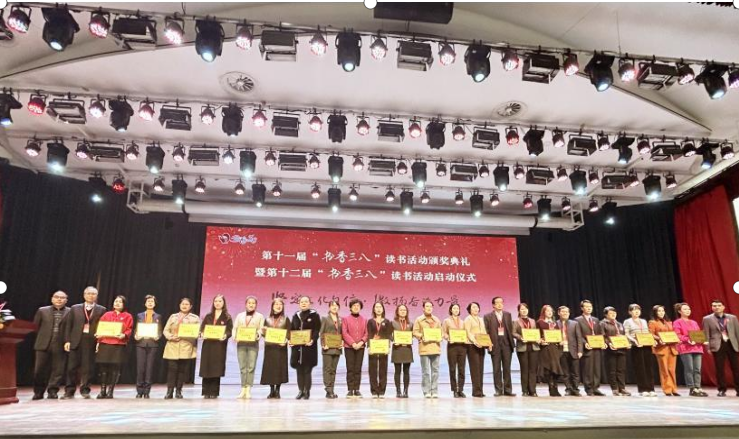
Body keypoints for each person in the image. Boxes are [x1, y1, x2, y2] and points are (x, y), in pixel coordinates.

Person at [62, 286, 106, 399]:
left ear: (96, 296)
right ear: (84, 295)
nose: (91, 296)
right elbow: (68, 325)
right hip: (75, 339)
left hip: (91, 340)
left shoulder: (102, 309)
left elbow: (103, 326)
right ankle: (69, 391)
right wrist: (67, 340)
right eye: (89, 293)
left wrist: (99, 341)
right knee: (71, 367)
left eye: (93, 294)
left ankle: (85, 390)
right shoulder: (74, 308)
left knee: (87, 367)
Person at [32, 290, 70, 400]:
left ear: (66, 300)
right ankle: (38, 392)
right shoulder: (42, 310)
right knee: (39, 370)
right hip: (43, 343)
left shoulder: (70, 311)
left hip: (61, 344)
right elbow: (35, 327)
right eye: (57, 297)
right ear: (52, 299)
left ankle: (53, 391)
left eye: (62, 298)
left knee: (58, 370)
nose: (59, 299)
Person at [95, 295, 134, 399]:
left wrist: (124, 335)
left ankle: (110, 391)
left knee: (114, 368)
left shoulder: (128, 316)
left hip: (118, 344)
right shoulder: (107, 314)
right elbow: (100, 327)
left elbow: (129, 329)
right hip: (105, 343)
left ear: (124, 304)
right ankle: (102, 390)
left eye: (120, 302)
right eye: (116, 301)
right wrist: (98, 340)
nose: (117, 303)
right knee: (103, 368)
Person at [162, 297, 200, 399]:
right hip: (172, 345)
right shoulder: (173, 316)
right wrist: (170, 336)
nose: (184, 306)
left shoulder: (195, 318)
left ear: (190, 306)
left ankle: (178, 391)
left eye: (187, 304)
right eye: (183, 304)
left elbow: (197, 332)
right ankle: (169, 391)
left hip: (186, 346)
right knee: (172, 369)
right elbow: (166, 330)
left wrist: (190, 334)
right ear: (179, 305)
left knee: (182, 370)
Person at [702, 299, 739, 397]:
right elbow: (706, 334)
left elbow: (737, 332)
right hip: (717, 344)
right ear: (712, 307)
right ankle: (722, 389)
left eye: (719, 305)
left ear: (723, 307)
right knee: (719, 368)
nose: (717, 307)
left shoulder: (732, 318)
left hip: (732, 344)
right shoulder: (707, 319)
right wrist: (708, 347)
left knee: (736, 368)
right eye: (714, 306)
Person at [199, 294, 232, 399]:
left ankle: (214, 392)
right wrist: (202, 334)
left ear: (224, 303)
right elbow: (202, 328)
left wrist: (225, 335)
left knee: (216, 368)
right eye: (216, 301)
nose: (217, 303)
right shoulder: (208, 316)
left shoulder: (227, 317)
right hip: (208, 345)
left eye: (220, 301)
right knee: (206, 367)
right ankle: (205, 391)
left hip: (219, 346)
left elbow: (230, 331)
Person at [672, 303, 707, 397]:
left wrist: (703, 340)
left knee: (697, 369)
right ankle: (692, 388)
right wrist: (688, 339)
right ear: (679, 311)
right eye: (685, 309)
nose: (687, 311)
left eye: (688, 309)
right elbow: (678, 335)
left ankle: (698, 387)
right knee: (689, 368)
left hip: (697, 348)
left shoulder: (694, 322)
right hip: (685, 348)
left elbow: (698, 334)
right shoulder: (677, 322)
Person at [233, 296, 264, 399]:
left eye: (253, 303)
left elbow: (261, 329)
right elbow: (235, 328)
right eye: (249, 303)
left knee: (251, 367)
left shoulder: (260, 316)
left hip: (253, 344)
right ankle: (243, 388)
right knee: (242, 367)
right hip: (241, 343)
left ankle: (248, 389)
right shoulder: (239, 315)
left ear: (256, 305)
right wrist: (235, 336)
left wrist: (257, 335)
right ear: (246, 304)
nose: (251, 305)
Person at [290, 295, 321, 400]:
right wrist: (291, 340)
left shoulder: (314, 315)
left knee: (307, 370)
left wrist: (313, 340)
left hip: (309, 347)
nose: (304, 303)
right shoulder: (296, 316)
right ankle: (300, 391)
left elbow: (317, 330)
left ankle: (306, 391)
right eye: (302, 302)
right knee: (299, 370)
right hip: (297, 348)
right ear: (299, 304)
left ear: (309, 303)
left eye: (306, 301)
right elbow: (292, 330)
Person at [483, 296, 515, 396]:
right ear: (493, 305)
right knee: (496, 369)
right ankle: (498, 390)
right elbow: (486, 331)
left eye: (501, 302)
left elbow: (510, 329)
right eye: (497, 303)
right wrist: (488, 344)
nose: (500, 304)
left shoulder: (508, 315)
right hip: (495, 345)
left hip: (506, 345)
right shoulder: (488, 316)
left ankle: (508, 390)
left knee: (507, 368)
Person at [623, 304, 657, 397]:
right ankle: (642, 389)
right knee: (640, 368)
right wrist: (634, 341)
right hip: (637, 347)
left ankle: (651, 388)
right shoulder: (627, 321)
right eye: (634, 310)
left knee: (649, 368)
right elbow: (626, 334)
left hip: (646, 345)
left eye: (638, 309)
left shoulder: (643, 321)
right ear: (630, 312)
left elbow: (647, 333)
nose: (636, 311)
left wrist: (652, 341)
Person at [261, 297, 291, 399]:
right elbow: (264, 334)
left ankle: (277, 390)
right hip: (270, 348)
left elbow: (289, 333)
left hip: (280, 348)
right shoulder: (267, 319)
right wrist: (263, 332)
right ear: (272, 306)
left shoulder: (286, 319)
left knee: (279, 369)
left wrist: (286, 340)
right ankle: (271, 390)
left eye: (280, 304)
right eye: (276, 304)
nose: (278, 306)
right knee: (270, 368)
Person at [575, 299, 606, 396]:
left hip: (597, 347)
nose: (589, 308)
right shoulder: (577, 320)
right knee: (588, 369)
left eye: (590, 307)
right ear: (582, 308)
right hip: (587, 347)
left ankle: (595, 388)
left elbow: (600, 333)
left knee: (597, 369)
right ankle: (588, 389)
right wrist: (584, 343)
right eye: (586, 307)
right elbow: (578, 335)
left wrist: (603, 342)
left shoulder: (595, 320)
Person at [413, 300, 442, 398]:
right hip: (424, 348)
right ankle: (426, 391)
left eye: (430, 306)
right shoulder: (419, 320)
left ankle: (434, 391)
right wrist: (422, 336)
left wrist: (440, 337)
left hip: (435, 347)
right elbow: (415, 332)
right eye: (427, 306)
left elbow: (441, 332)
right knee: (425, 371)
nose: (429, 308)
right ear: (423, 308)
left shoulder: (437, 319)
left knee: (435, 371)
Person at [134, 295, 161, 398]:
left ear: (155, 304)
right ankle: (139, 390)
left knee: (149, 368)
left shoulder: (158, 316)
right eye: (148, 301)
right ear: (145, 303)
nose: (150, 303)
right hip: (141, 343)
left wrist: (158, 336)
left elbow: (159, 330)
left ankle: (147, 391)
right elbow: (136, 328)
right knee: (140, 368)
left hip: (152, 344)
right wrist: (136, 335)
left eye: (152, 301)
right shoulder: (139, 315)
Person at [649, 305, 679, 396]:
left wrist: (676, 338)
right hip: (661, 348)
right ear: (655, 312)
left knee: (672, 370)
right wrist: (659, 338)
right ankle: (667, 389)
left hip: (672, 348)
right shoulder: (653, 322)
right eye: (659, 311)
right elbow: (651, 334)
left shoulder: (669, 322)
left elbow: (673, 333)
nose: (661, 313)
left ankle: (674, 389)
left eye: (662, 311)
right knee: (664, 370)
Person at [600, 306, 630, 396]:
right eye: (611, 313)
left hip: (621, 349)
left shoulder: (619, 324)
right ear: (606, 315)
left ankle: (622, 388)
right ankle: (614, 388)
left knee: (621, 370)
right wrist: (609, 343)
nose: (613, 314)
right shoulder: (602, 323)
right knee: (612, 370)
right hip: (611, 350)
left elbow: (623, 336)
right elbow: (602, 336)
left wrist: (627, 343)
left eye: (614, 313)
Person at [342, 298, 367, 398]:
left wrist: (361, 342)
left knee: (358, 368)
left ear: (360, 307)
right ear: (350, 308)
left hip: (361, 347)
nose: (356, 307)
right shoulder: (345, 319)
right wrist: (352, 343)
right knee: (350, 368)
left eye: (358, 306)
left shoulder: (364, 320)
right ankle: (350, 389)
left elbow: (367, 333)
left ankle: (357, 389)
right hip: (349, 347)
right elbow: (344, 333)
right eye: (354, 306)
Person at [513, 303, 539, 397]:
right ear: (519, 311)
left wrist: (537, 338)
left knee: (533, 370)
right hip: (522, 347)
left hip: (533, 347)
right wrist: (520, 338)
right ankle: (524, 390)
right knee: (524, 369)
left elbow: (536, 332)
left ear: (528, 310)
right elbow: (513, 333)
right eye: (522, 309)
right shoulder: (516, 321)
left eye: (525, 309)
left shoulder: (532, 321)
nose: (524, 311)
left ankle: (533, 390)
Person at [367, 301, 393, 398]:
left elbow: (388, 335)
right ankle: (374, 391)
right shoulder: (370, 321)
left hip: (383, 348)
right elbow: (369, 334)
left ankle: (382, 390)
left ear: (383, 309)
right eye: (376, 307)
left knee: (383, 369)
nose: (378, 309)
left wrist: (388, 347)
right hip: (373, 347)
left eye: (380, 307)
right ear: (374, 309)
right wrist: (369, 346)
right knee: (372, 369)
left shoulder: (387, 321)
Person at [537, 305, 563, 397]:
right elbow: (537, 335)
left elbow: (559, 335)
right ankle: (551, 387)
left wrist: (560, 340)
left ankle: (555, 387)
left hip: (555, 348)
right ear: (543, 312)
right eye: (547, 311)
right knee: (548, 368)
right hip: (546, 348)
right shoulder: (540, 322)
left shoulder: (555, 323)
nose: (549, 312)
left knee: (555, 368)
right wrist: (540, 341)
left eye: (551, 311)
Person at [464, 302, 489, 398]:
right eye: (473, 307)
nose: (475, 309)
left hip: (481, 345)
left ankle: (480, 390)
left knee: (480, 368)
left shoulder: (481, 319)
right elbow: (468, 332)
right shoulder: (468, 319)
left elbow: (484, 332)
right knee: (475, 369)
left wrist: (487, 343)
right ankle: (476, 391)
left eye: (477, 307)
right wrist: (475, 341)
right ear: (469, 309)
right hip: (472, 345)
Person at [556, 306, 582, 397]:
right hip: (561, 351)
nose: (565, 313)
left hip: (574, 350)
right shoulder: (555, 324)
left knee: (575, 372)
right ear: (559, 313)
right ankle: (568, 389)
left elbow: (579, 338)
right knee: (565, 372)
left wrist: (580, 351)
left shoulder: (574, 323)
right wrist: (557, 342)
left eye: (567, 312)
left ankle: (576, 389)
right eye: (563, 311)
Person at [443, 303, 467, 398]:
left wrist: (465, 339)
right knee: (452, 369)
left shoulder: (462, 322)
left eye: (457, 308)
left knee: (462, 369)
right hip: (452, 346)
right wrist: (448, 338)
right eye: (454, 308)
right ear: (451, 310)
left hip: (462, 346)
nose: (456, 310)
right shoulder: (446, 321)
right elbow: (443, 332)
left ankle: (460, 389)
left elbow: (465, 333)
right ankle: (454, 390)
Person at [320, 300, 342, 399]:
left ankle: (331, 390)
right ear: (329, 307)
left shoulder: (340, 319)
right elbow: (321, 332)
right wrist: (323, 344)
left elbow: (341, 333)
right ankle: (328, 389)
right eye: (332, 305)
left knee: (333, 370)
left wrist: (342, 343)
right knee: (327, 369)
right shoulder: (325, 318)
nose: (334, 307)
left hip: (337, 348)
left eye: (336, 305)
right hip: (327, 348)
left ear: (339, 308)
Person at [391, 304, 413, 398]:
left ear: (407, 312)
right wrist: (393, 339)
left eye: (404, 310)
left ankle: (406, 391)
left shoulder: (410, 324)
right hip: (397, 349)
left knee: (406, 371)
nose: (403, 311)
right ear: (397, 311)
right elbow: (389, 335)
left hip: (407, 349)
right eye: (401, 310)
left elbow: (412, 334)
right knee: (397, 371)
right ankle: (398, 391)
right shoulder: (393, 323)